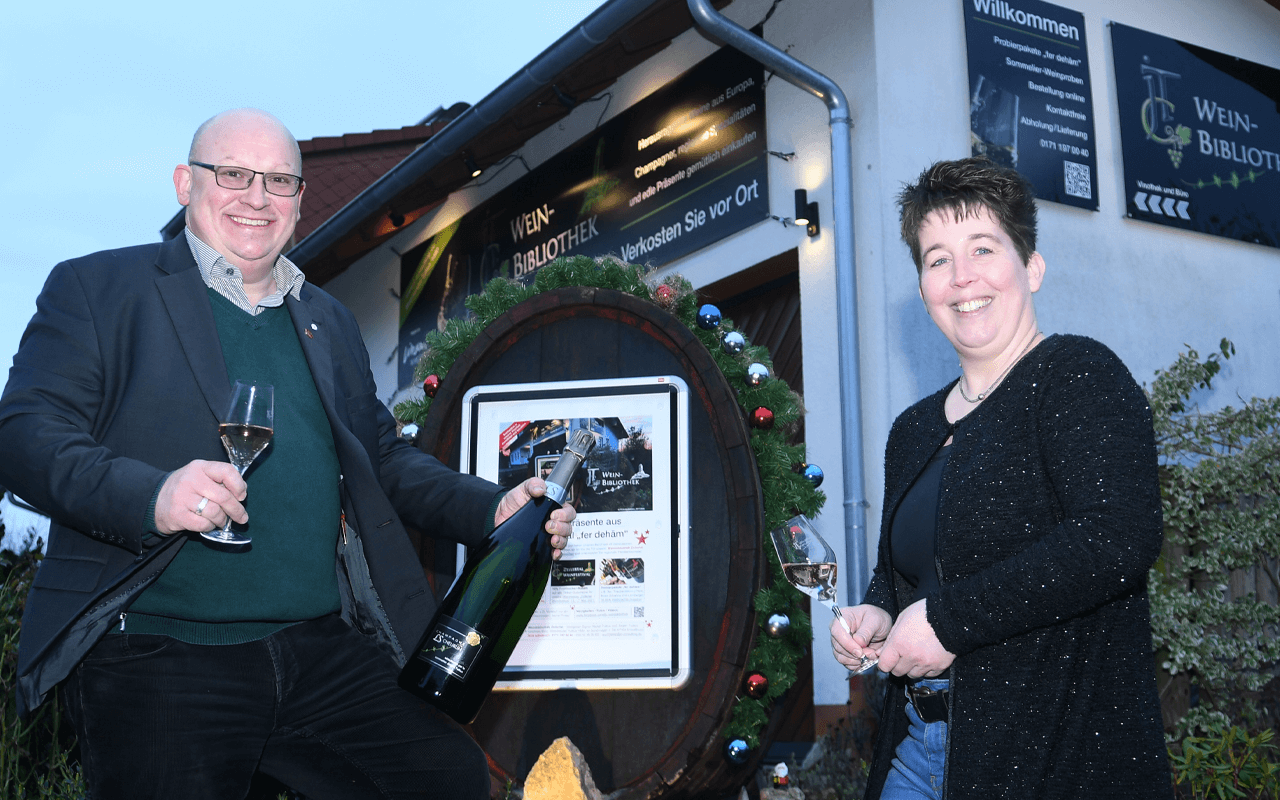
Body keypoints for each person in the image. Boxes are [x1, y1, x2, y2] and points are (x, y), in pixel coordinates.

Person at [0, 108, 576, 800]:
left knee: (444, 776)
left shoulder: (326, 320)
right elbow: (26, 432)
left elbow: (383, 461)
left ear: (301, 201)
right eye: (234, 174)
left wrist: (494, 506)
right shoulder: (100, 290)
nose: (257, 197)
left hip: (313, 649)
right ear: (186, 183)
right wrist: (151, 495)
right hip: (160, 650)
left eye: (279, 181)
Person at [830, 157, 1171, 798]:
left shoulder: (1074, 375)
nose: (962, 277)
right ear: (923, 285)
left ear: (1031, 267)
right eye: (937, 259)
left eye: (982, 248)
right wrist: (879, 611)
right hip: (915, 752)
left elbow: (1117, 536)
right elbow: (906, 573)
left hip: (1053, 760)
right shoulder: (913, 428)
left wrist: (949, 623)